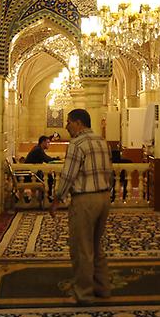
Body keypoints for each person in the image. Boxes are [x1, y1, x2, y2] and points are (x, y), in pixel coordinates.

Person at [49, 108, 113, 305]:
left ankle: (83, 294)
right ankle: (102, 288)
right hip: (103, 198)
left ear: (78, 123)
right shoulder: (102, 141)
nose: (66, 126)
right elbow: (109, 171)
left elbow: (69, 174)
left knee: (82, 248)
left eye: (68, 122)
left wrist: (57, 199)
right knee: (96, 245)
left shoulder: (77, 143)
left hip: (85, 199)